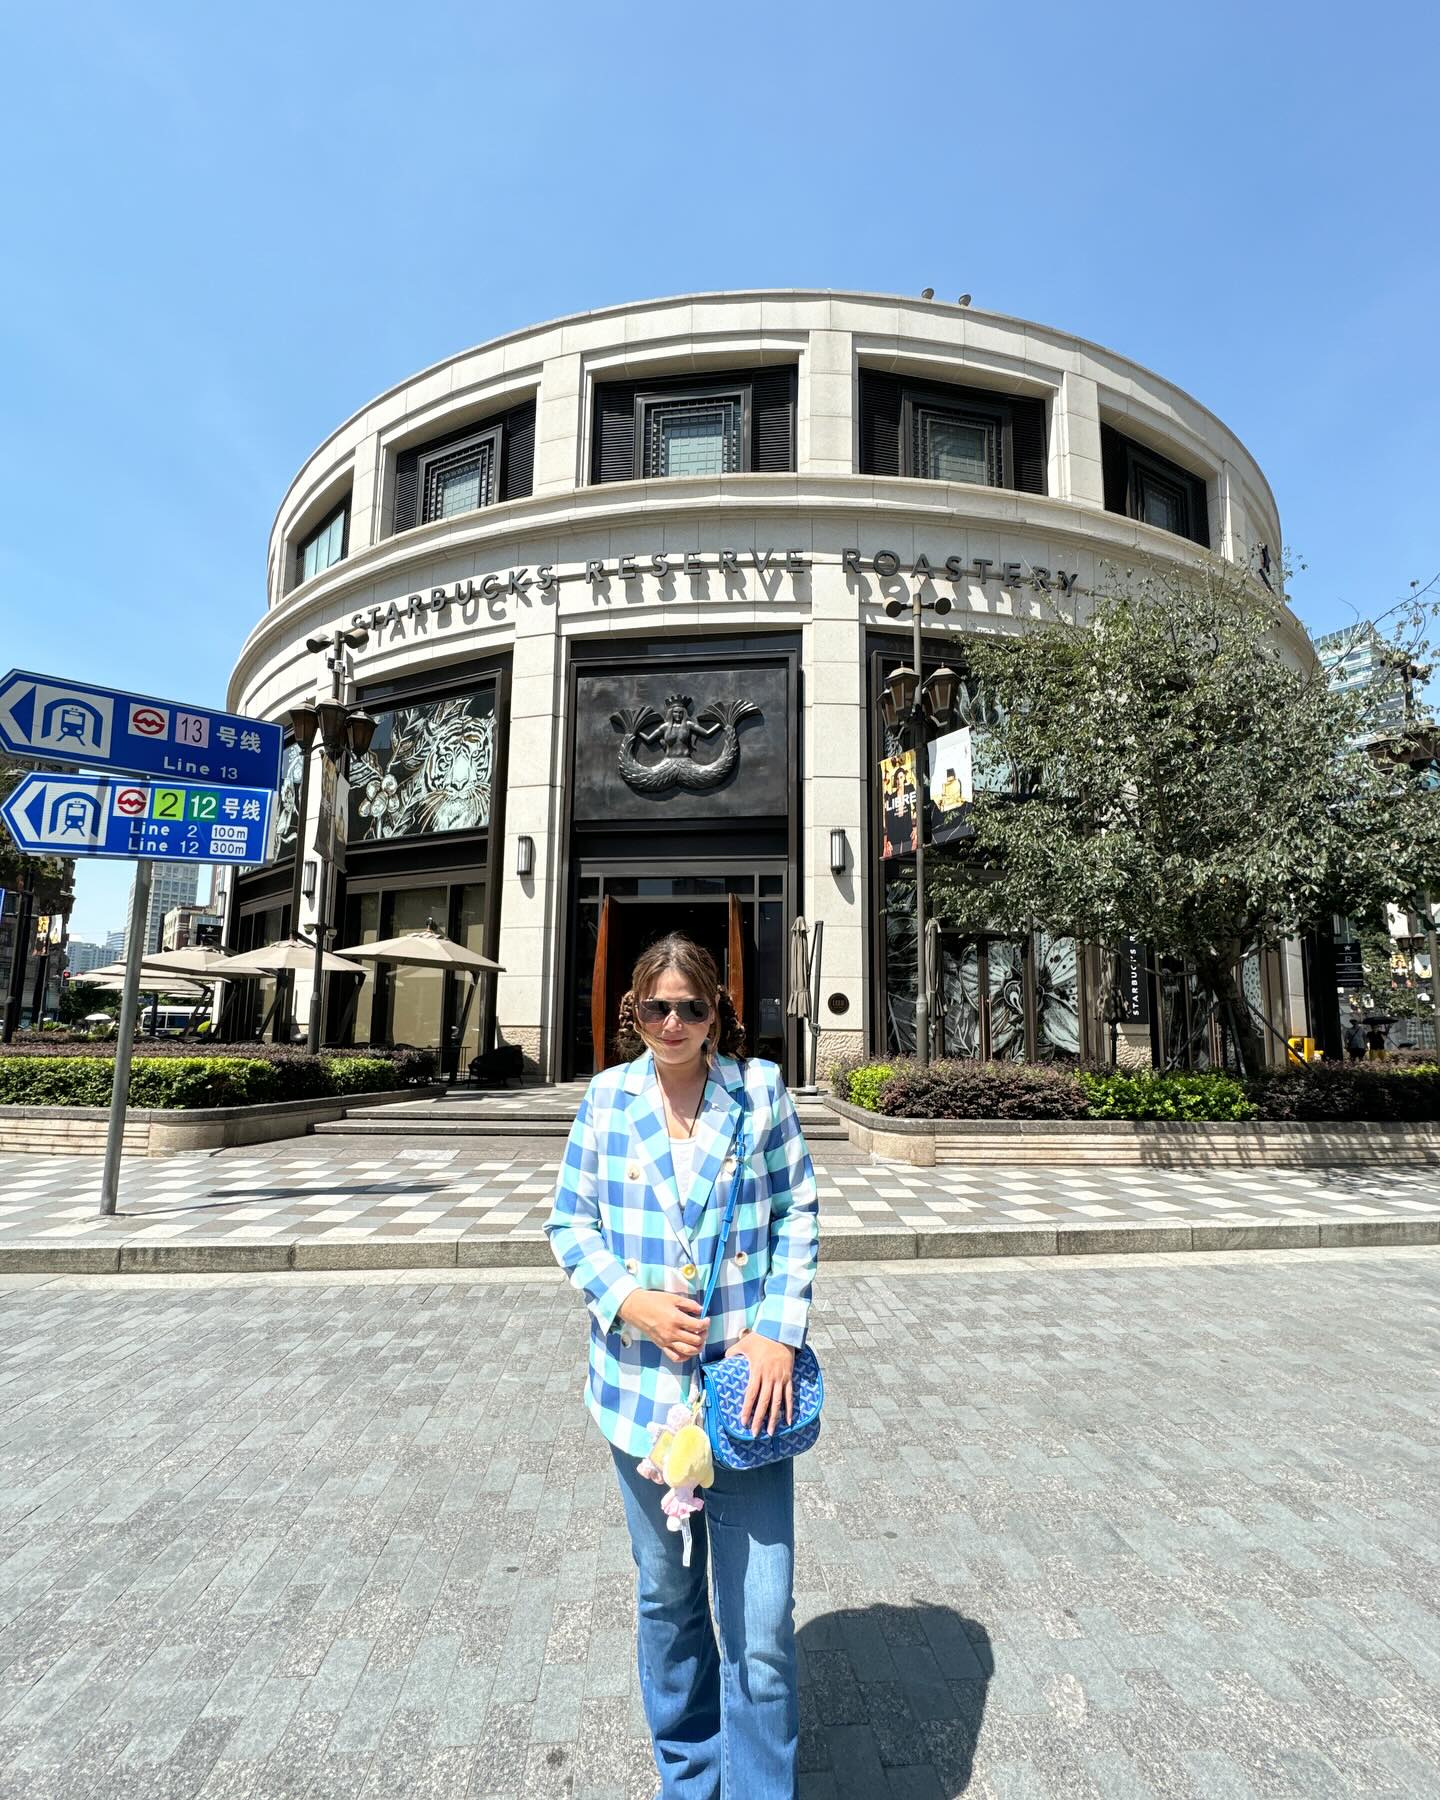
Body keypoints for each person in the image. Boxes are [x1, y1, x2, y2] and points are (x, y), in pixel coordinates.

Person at [546, 933, 819, 1800]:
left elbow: (798, 1212)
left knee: (762, 1621)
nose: (674, 1023)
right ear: (633, 1012)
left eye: (692, 1007)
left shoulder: (759, 1092)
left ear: (716, 1012)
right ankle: (690, 1777)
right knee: (668, 1598)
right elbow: (570, 1223)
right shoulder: (606, 1098)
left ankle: (760, 1789)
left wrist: (777, 1332)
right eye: (657, 1008)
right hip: (640, 1395)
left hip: (747, 1394)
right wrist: (630, 1300)